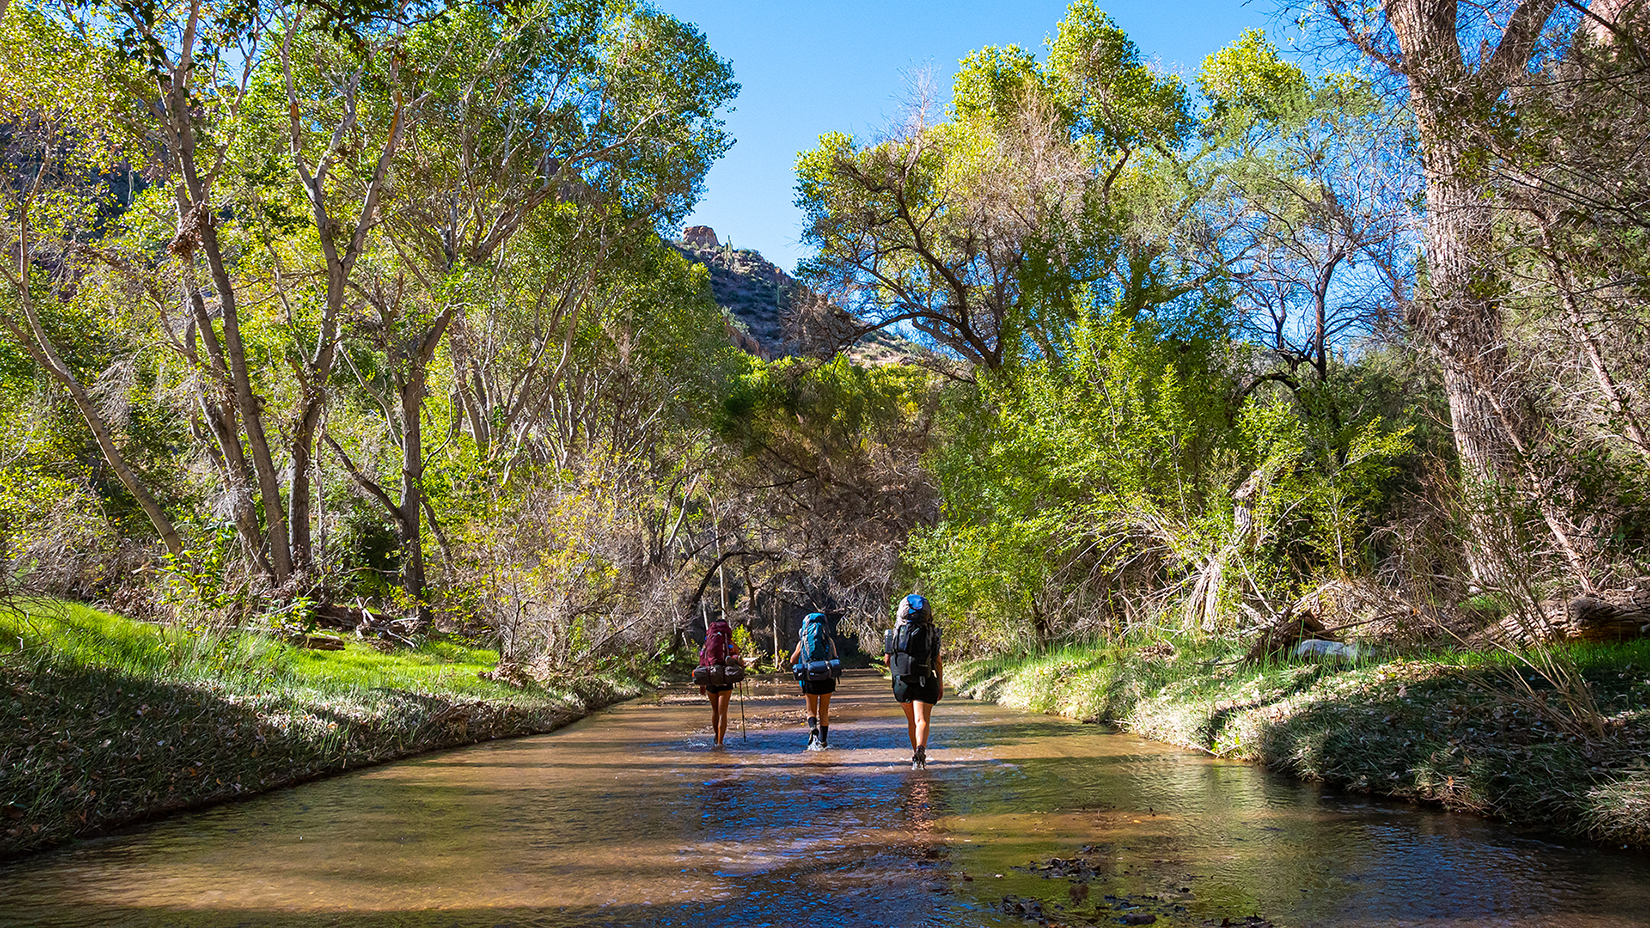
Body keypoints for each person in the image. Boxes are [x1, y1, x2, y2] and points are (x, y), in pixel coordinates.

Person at [887, 593, 942, 768]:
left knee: (912, 722)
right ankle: (921, 751)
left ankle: (915, 757)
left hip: (901, 681)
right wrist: (940, 684)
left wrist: (896, 674)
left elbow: (887, 660)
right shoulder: (932, 632)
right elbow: (937, 662)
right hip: (924, 679)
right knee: (922, 720)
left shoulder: (894, 632)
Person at [790, 611, 839, 750]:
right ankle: (823, 742)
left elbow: (792, 660)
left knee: (811, 711)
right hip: (827, 678)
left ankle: (813, 730)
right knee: (824, 711)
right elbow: (835, 657)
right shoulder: (829, 640)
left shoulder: (803, 641)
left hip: (810, 677)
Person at [697, 615, 741, 747]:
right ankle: (720, 743)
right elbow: (738, 658)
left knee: (715, 711)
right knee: (723, 712)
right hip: (725, 678)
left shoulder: (708, 642)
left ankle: (716, 736)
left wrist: (702, 683)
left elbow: (703, 660)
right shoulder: (729, 642)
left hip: (710, 677)